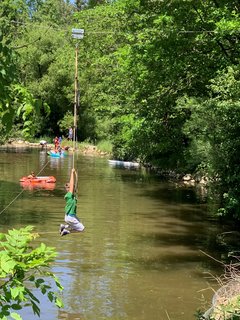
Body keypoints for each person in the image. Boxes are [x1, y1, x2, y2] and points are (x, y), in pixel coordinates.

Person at [59, 168, 85, 236]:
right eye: (71, 187)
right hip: (70, 217)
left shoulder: (71, 196)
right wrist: (72, 173)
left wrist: (75, 174)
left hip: (69, 216)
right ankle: (66, 231)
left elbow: (74, 185)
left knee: (79, 222)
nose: (73, 187)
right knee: (82, 228)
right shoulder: (69, 196)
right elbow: (72, 183)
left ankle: (64, 226)